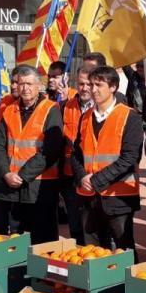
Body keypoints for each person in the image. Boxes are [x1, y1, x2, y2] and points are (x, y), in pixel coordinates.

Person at [72, 66, 144, 249]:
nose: (92, 89)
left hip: (118, 197)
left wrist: (96, 180)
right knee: (92, 250)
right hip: (89, 195)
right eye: (90, 84)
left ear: (113, 87)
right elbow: (76, 153)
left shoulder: (130, 117)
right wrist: (82, 177)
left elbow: (129, 158)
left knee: (124, 249)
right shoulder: (86, 117)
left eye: (98, 85)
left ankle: (125, 279)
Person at [0, 65, 63, 242]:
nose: (25, 88)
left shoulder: (51, 109)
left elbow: (51, 150)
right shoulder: (9, 110)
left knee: (42, 236)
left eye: (30, 84)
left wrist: (22, 175)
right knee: (16, 235)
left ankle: (41, 270)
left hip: (39, 184)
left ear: (39, 86)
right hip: (10, 184)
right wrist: (6, 173)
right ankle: (17, 270)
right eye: (22, 83)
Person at [58, 66, 94, 244]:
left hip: (93, 176)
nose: (85, 88)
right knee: (75, 225)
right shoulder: (65, 105)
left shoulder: (102, 107)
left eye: (89, 84)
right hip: (70, 175)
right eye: (81, 84)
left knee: (93, 228)